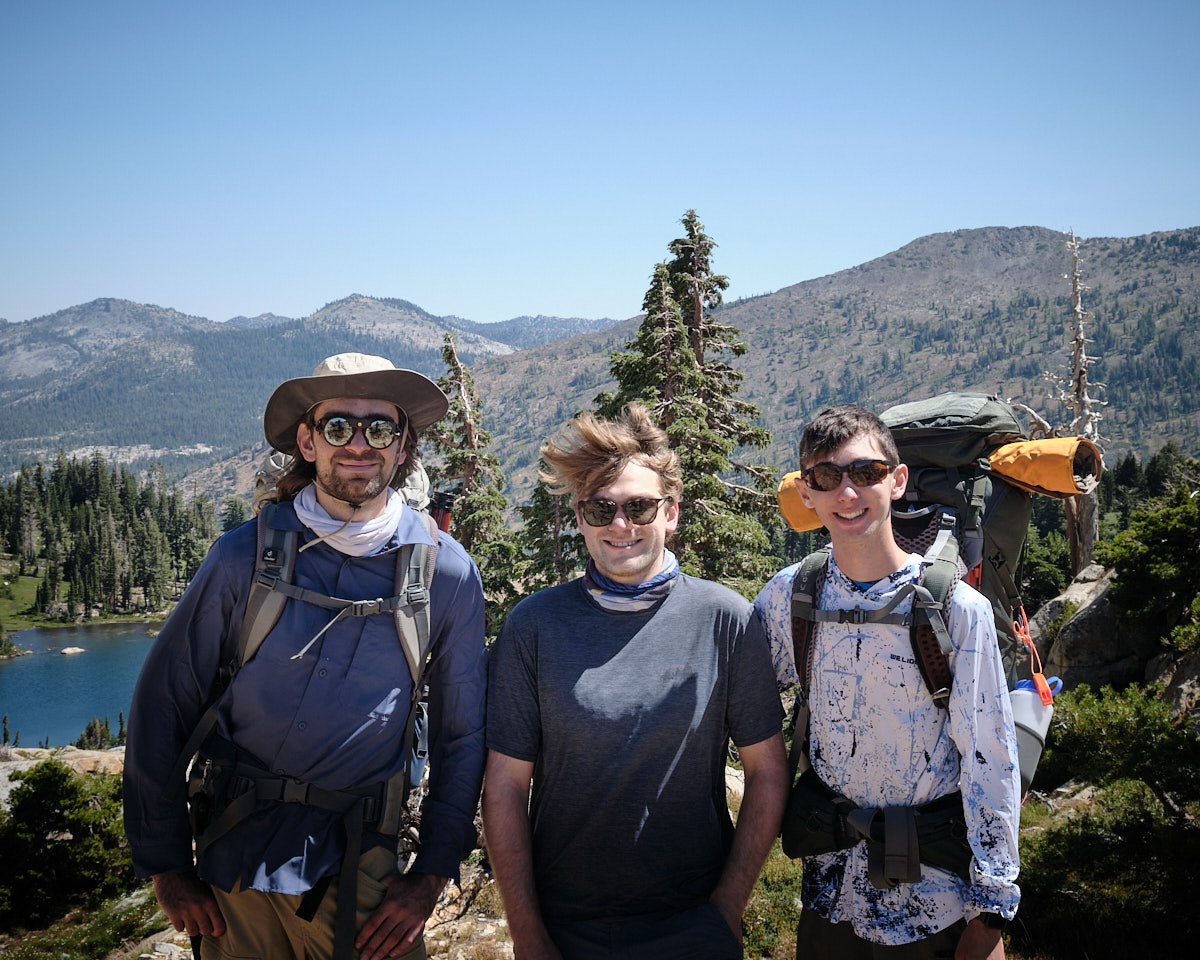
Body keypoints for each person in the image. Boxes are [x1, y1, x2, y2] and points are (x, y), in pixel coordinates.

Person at [124, 353, 487, 960]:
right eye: (338, 426)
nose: (358, 445)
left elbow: (463, 735)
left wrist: (430, 875)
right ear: (307, 440)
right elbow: (164, 703)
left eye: (380, 428)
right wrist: (166, 864)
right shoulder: (244, 556)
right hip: (233, 862)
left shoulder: (445, 573)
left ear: (403, 447)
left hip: (360, 865)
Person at [483, 403, 788, 960]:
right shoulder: (534, 627)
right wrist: (528, 935)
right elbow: (504, 787)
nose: (620, 525)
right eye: (600, 509)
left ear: (671, 513)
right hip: (566, 928)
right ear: (579, 518)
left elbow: (767, 773)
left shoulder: (725, 618)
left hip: (693, 924)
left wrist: (726, 908)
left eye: (640, 507)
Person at [753, 404, 1020, 960]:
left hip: (939, 898)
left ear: (897, 481)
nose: (847, 493)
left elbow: (990, 759)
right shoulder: (788, 598)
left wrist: (992, 910)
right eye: (827, 478)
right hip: (831, 894)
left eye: (866, 473)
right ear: (807, 493)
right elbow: (745, 716)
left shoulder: (955, 608)